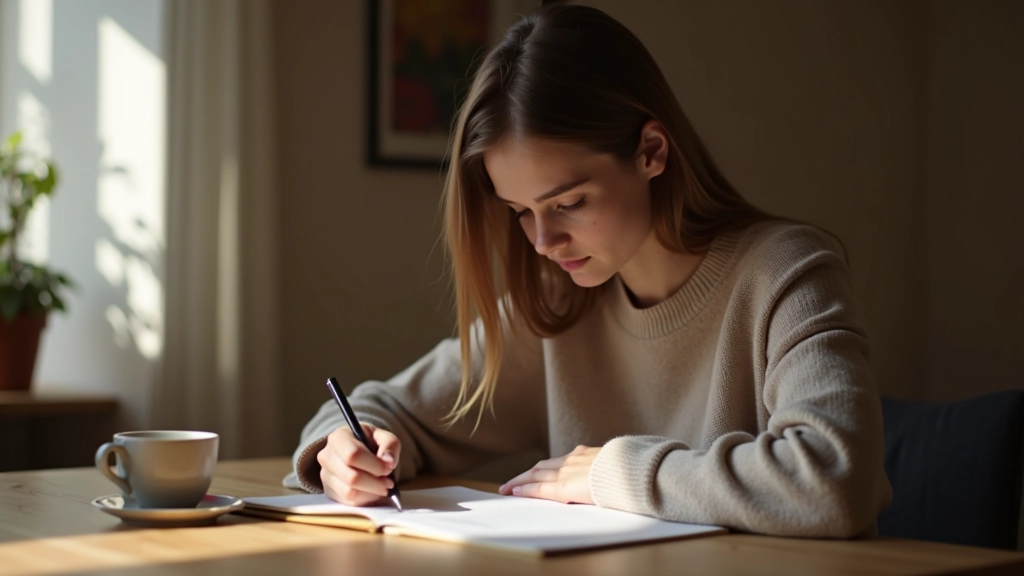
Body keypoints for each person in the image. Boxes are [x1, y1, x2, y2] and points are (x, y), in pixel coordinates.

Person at [284, 4, 891, 537]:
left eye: (569, 203)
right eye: (521, 211)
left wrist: (616, 472)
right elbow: (385, 410)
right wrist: (344, 451)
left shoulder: (784, 272)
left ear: (651, 151)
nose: (544, 241)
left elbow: (836, 480)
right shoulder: (557, 301)